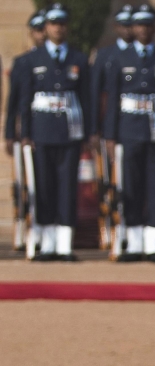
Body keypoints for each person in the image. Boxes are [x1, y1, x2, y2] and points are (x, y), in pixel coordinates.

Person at [102, 4, 155, 263]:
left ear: (154, 28)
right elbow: (113, 100)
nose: (143, 30)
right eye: (139, 25)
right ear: (132, 28)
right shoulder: (119, 59)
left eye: (148, 25)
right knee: (131, 187)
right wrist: (110, 136)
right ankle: (133, 243)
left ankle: (153, 244)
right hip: (128, 130)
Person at [18, 3, 91, 261]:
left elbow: (86, 99)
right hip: (42, 132)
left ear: (66, 27)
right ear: (46, 27)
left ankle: (64, 244)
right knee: (44, 187)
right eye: (53, 23)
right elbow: (25, 99)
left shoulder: (78, 59)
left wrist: (88, 134)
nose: (58, 28)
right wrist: (25, 132)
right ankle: (46, 243)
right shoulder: (32, 60)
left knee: (67, 187)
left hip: (70, 131)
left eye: (62, 23)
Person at [5, 9, 47, 251]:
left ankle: (43, 231)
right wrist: (10, 133)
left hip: (45, 130)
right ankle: (23, 229)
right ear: (31, 33)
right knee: (24, 185)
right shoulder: (23, 62)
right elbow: (13, 103)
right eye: (38, 30)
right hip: (26, 133)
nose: (42, 35)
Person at [90, 4, 133, 144]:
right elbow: (96, 91)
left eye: (131, 25)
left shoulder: (145, 55)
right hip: (109, 118)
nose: (128, 30)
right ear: (116, 27)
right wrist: (94, 128)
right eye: (124, 25)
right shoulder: (105, 55)